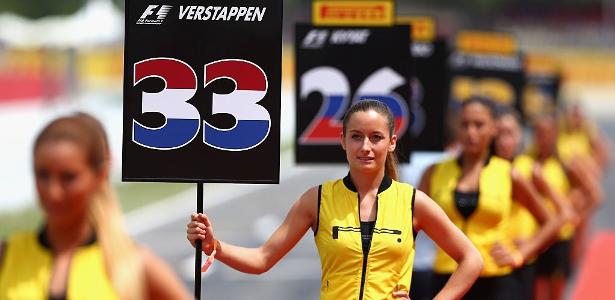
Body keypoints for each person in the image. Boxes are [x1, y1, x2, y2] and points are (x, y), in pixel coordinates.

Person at [188, 100, 483, 299]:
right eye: (356, 136)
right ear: (342, 140)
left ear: (392, 142)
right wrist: (216, 246)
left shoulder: (412, 201)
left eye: (376, 137)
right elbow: (263, 259)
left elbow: (471, 259)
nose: (365, 146)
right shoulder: (316, 199)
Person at [0, 113, 191, 300]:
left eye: (68, 177)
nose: (53, 192)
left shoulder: (133, 264)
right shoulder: (6, 256)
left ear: (101, 174)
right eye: (43, 175)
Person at [419, 97, 562, 300]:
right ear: (455, 128)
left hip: (496, 281)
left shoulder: (508, 173)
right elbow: (409, 226)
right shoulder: (435, 172)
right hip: (448, 279)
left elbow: (552, 222)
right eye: (465, 125)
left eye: (479, 125)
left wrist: (521, 254)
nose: (471, 133)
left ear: (494, 128)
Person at [495, 108, 573, 300]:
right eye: (499, 134)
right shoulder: (485, 169)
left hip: (523, 257)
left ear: (519, 136)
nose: (503, 141)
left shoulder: (529, 168)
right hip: (491, 258)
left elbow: (565, 213)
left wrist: (531, 244)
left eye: (510, 133)